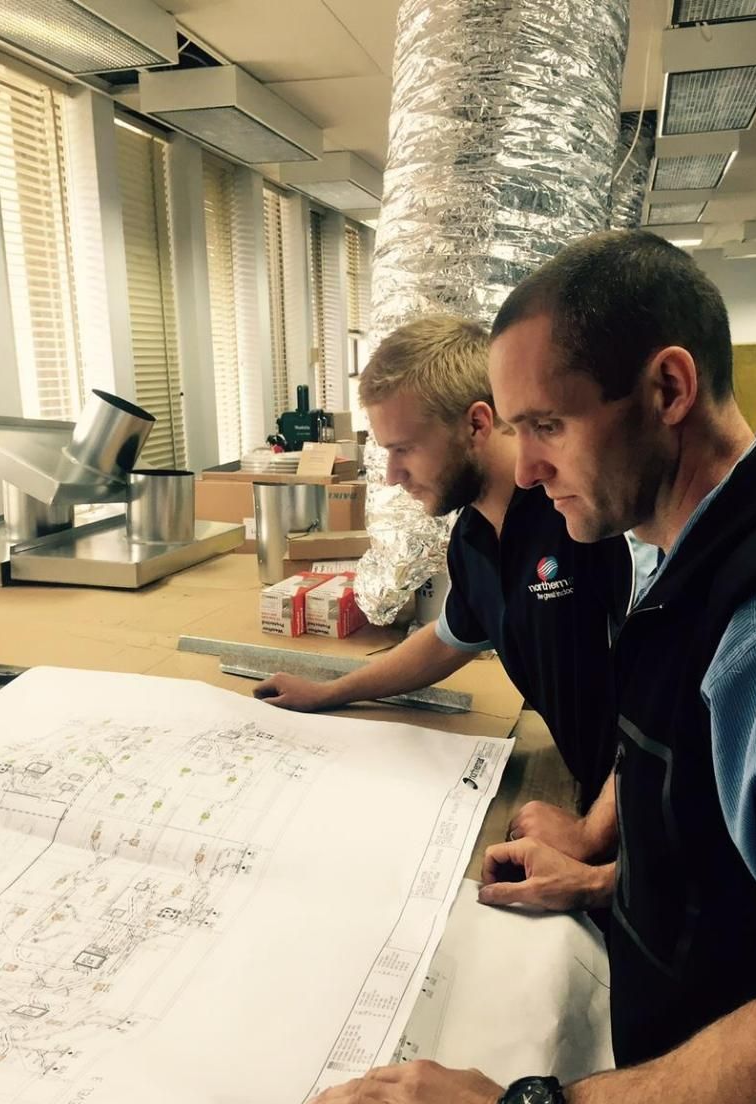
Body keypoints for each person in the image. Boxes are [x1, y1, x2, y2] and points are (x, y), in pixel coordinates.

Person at [302, 232, 756, 1104]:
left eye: (547, 424)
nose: (526, 469)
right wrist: (611, 878)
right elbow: (742, 859)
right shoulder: (674, 559)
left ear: (668, 390)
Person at [255, 314, 635, 814]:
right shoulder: (472, 538)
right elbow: (444, 642)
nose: (392, 477)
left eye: (404, 449)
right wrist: (329, 693)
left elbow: (673, 711)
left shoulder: (588, 519)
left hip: (653, 822)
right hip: (594, 795)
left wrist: (597, 844)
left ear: (477, 423)